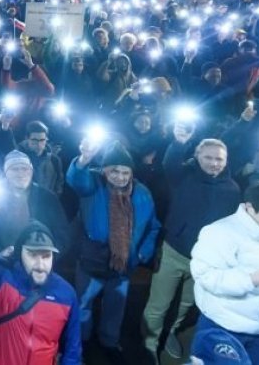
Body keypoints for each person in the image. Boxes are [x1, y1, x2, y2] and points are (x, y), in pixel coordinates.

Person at [142, 134, 241, 361]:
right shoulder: (183, 176)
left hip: (206, 260)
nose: (214, 163)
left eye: (219, 159)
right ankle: (149, 344)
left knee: (186, 304)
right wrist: (178, 143)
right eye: (208, 157)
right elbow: (169, 163)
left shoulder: (233, 189)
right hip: (174, 252)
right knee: (159, 305)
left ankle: (170, 332)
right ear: (197, 157)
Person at [66, 139, 161, 362]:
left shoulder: (142, 193)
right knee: (83, 303)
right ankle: (83, 339)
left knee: (115, 306)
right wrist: (84, 159)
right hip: (92, 259)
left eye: (125, 172)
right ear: (105, 171)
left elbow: (153, 226)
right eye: (114, 171)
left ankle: (109, 341)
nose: (120, 176)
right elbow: (76, 179)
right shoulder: (93, 184)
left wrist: (142, 253)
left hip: (124, 263)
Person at [190, 180, 259, 365]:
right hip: (223, 326)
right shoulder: (219, 232)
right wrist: (252, 280)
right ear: (250, 207)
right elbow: (205, 276)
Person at [0, 187, 80, 365]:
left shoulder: (66, 294)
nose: (40, 264)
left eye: (46, 256)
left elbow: (73, 350)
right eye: (32, 255)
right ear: (20, 255)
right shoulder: (1, 279)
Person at [0, 150, 70, 258]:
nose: (20, 173)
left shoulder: (47, 198)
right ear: (5, 173)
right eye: (14, 169)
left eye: (25, 168)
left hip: (39, 263)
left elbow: (62, 235)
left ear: (31, 171)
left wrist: (46, 258)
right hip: (3, 262)